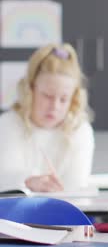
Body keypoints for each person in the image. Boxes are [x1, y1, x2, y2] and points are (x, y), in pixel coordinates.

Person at [0, 43, 94, 192]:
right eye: (47, 96)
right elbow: (4, 177)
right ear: (30, 89)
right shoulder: (8, 124)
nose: (54, 106)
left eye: (63, 99)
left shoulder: (81, 130)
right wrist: (28, 181)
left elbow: (76, 188)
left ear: (74, 99)